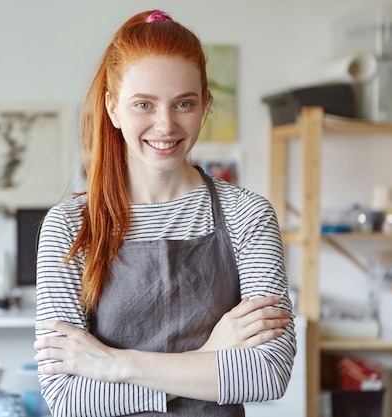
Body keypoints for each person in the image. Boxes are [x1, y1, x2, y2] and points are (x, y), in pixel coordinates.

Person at [33, 9, 296, 417]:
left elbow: (268, 373)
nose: (165, 125)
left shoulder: (248, 215)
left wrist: (114, 364)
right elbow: (68, 398)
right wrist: (210, 356)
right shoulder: (69, 226)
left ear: (205, 105)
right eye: (143, 104)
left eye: (184, 104)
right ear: (113, 108)